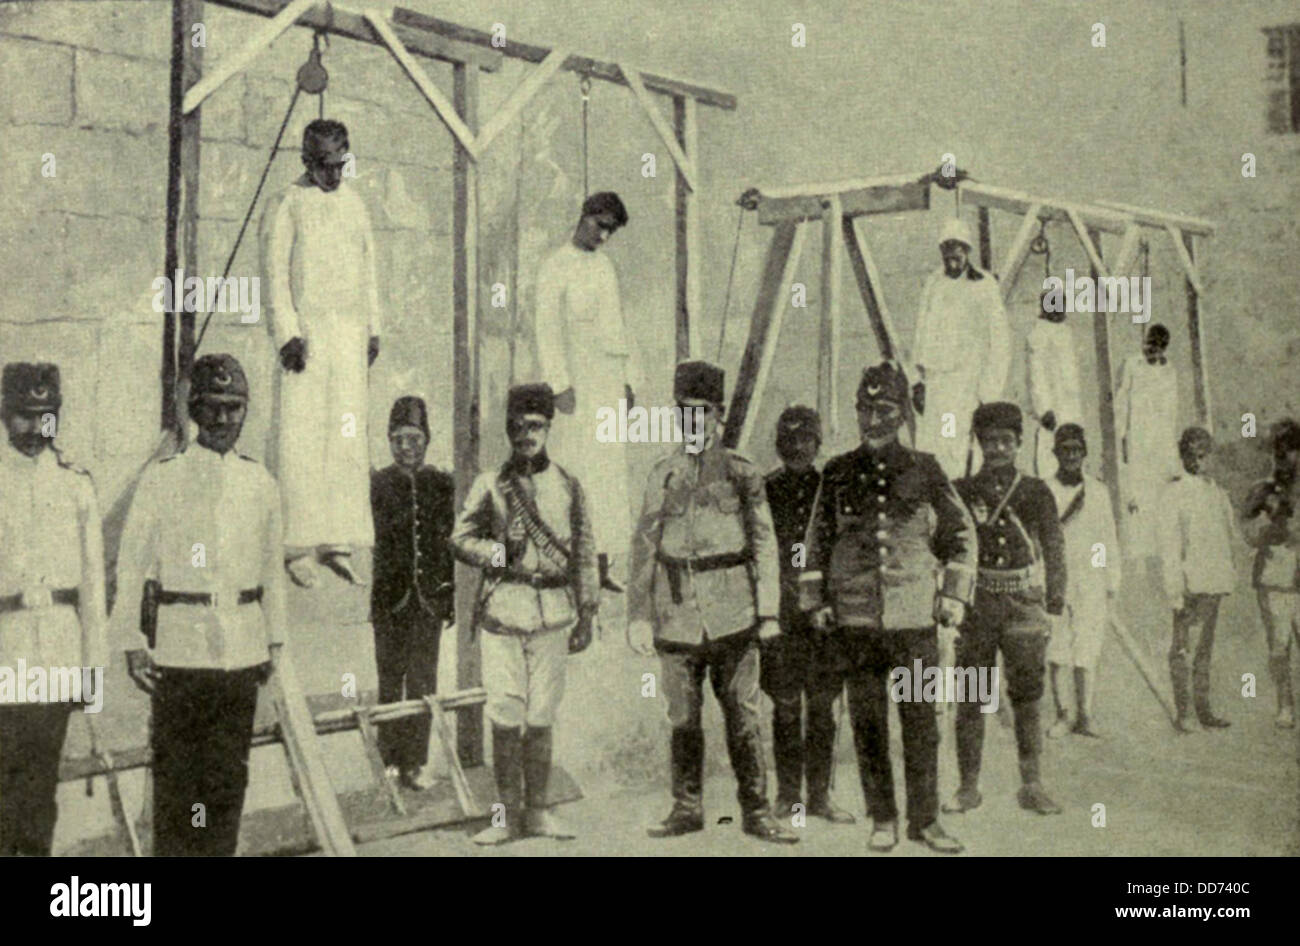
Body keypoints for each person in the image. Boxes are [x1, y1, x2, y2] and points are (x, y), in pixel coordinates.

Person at [115, 354, 287, 856]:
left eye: (233, 408)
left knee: (227, 779)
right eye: (211, 407)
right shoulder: (162, 479)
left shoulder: (260, 483)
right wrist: (131, 641)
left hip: (240, 648)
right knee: (178, 780)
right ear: (194, 410)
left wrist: (274, 640)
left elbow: (271, 568)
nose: (222, 419)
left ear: (245, 412)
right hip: (180, 651)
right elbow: (131, 566)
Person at [800, 362, 975, 854]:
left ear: (901, 414)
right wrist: (815, 600)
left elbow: (962, 534)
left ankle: (926, 822)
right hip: (856, 621)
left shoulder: (925, 467)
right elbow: (815, 540)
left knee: (920, 723)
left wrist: (954, 594)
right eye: (865, 409)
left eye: (883, 409)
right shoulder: (837, 471)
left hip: (914, 618)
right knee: (869, 723)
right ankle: (883, 818)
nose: (872, 419)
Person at [627, 360, 795, 844]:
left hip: (734, 615)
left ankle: (758, 811)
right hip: (677, 616)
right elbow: (644, 546)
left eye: (702, 413)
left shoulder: (743, 473)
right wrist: (639, 615)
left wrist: (766, 613)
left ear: (718, 416)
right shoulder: (662, 474)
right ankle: (687, 807)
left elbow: (765, 544)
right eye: (684, 413)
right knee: (682, 717)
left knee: (743, 717)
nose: (693, 423)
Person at [450, 383, 598, 845]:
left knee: (541, 716)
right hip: (504, 612)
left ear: (549, 428)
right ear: (508, 430)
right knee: (504, 715)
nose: (525, 434)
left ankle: (537, 813)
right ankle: (504, 818)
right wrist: (498, 552)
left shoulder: (569, 484)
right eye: (517, 426)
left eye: (534, 425)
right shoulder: (490, 484)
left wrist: (588, 611)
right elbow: (459, 538)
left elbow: (585, 552)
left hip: (554, 612)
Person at [261, 118, 381, 588]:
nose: (334, 175)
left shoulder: (355, 204)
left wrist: (373, 327)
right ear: (308, 162)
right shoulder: (290, 204)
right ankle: (296, 544)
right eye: (324, 166)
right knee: (303, 436)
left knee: (346, 434)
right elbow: (274, 273)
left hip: (348, 337)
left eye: (340, 164)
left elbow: (369, 268)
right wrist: (288, 333)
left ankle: (338, 539)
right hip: (307, 339)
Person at [0, 363, 107, 856]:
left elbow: (91, 587)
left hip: (58, 655)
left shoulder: (75, 484)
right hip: (6, 650)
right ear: (5, 414)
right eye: (24, 416)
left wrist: (92, 673)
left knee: (41, 786)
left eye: (46, 417)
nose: (34, 429)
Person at [948, 402, 1065, 817]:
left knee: (1028, 697)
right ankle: (967, 787)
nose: (997, 448)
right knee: (972, 697)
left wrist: (1054, 602)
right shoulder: (961, 491)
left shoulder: (1035, 491)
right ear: (978, 444)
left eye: (1005, 441)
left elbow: (1053, 545)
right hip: (978, 606)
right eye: (989, 441)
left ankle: (1032, 785)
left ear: (1018, 443)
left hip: (1022, 605)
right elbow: (946, 547)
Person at [533, 191, 643, 592]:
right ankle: (568, 562)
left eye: (610, 231)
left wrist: (628, 378)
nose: (603, 237)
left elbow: (619, 328)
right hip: (577, 385)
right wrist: (559, 383)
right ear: (584, 217)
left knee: (608, 475)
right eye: (600, 226)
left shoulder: (606, 268)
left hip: (607, 384)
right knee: (574, 471)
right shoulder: (555, 267)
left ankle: (601, 561)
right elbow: (546, 330)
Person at [761, 406, 854, 824]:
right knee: (784, 705)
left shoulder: (831, 488)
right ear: (779, 445)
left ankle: (820, 796)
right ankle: (788, 797)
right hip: (781, 613)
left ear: (817, 444)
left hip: (824, 614)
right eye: (789, 440)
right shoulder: (763, 490)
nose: (797, 448)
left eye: (806, 440)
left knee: (823, 705)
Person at [370, 396, 456, 790]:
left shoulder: (442, 484)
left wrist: (448, 597)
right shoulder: (378, 483)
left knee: (424, 683)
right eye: (398, 439)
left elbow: (449, 544)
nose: (406, 447)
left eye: (414, 438)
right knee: (390, 682)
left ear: (427, 440)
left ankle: (415, 765)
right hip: (390, 601)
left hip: (429, 600)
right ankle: (390, 764)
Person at [910, 218, 1012, 480]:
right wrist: (917, 381)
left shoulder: (984, 286)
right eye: (948, 247)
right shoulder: (933, 283)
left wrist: (988, 392)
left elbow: (999, 342)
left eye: (958, 248)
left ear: (967, 251)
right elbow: (921, 331)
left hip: (967, 385)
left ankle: (960, 496)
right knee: (933, 445)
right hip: (937, 384)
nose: (953, 254)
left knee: (960, 446)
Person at [1159, 426, 1238, 733]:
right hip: (1189, 585)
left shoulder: (1217, 493)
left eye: (1204, 454)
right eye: (1194, 454)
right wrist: (1175, 591)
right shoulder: (1174, 493)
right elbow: (1170, 545)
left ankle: (1203, 709)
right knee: (1184, 649)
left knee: (1204, 650)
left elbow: (1227, 536)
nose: (1200, 460)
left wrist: (1227, 574)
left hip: (1213, 583)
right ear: (1185, 457)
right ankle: (1185, 713)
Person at [1044, 424, 1120, 738]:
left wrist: (1107, 580)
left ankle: (1085, 716)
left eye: (1077, 450)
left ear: (1084, 453)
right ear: (1055, 453)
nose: (1071, 456)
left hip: (1089, 578)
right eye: (1065, 450)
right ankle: (1063, 714)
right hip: (1056, 577)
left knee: (1087, 647)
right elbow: (1039, 540)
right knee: (1057, 647)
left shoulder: (1097, 492)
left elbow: (1106, 539)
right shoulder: (1044, 490)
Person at [1243, 419, 1300, 730]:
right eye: (1279, 452)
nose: (1284, 458)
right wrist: (1270, 527)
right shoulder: (1263, 490)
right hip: (1276, 578)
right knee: (1279, 647)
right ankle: (1285, 705)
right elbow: (1247, 531)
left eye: (1290, 450)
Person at [1115, 324, 1181, 560]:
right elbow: (1121, 404)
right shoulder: (1132, 364)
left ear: (1165, 348)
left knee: (1162, 503)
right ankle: (1137, 561)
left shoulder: (1169, 371)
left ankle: (1161, 559)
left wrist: (1172, 456)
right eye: (1150, 345)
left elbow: (1171, 413)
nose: (1153, 351)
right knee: (1137, 503)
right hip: (1138, 441)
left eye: (1159, 347)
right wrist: (1121, 439)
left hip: (1161, 443)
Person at [1026, 292, 1083, 478]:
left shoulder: (1066, 332)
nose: (1059, 309)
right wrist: (1044, 409)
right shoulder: (1038, 333)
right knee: (1049, 457)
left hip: (1070, 407)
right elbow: (1036, 374)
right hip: (1052, 410)